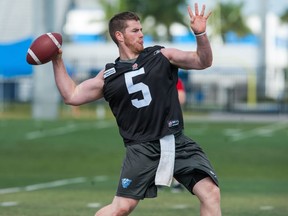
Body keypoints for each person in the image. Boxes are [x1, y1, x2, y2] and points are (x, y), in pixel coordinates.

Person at [52, 3, 221, 216]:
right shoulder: (109, 74)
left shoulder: (161, 55)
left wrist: (201, 34)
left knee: (211, 193)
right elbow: (72, 95)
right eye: (135, 30)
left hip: (176, 142)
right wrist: (57, 60)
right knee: (120, 209)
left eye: (141, 29)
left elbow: (203, 61)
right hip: (142, 150)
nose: (141, 34)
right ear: (119, 36)